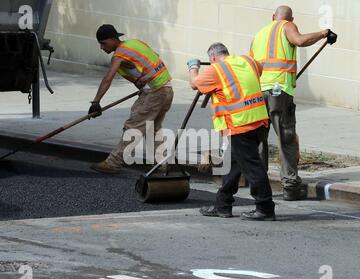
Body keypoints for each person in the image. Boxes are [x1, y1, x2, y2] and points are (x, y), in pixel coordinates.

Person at [250, 5, 337, 200]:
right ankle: (290, 186)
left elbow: (251, 64)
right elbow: (300, 40)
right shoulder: (287, 26)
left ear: (273, 16)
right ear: (290, 19)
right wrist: (324, 33)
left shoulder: (259, 35)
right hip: (279, 92)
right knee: (286, 138)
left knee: (260, 140)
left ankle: (259, 185)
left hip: (259, 92)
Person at [188, 43, 276, 221]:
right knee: (233, 164)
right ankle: (223, 205)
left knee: (252, 167)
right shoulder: (248, 61)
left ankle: (265, 208)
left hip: (241, 124)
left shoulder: (216, 70)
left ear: (212, 58)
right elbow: (258, 71)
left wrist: (193, 67)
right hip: (258, 120)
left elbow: (194, 83)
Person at [89, 24, 174, 173]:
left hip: (155, 92)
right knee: (153, 129)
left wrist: (96, 102)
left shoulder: (120, 54)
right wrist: (141, 81)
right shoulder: (135, 43)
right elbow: (153, 59)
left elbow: (108, 79)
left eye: (103, 43)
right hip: (167, 89)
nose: (102, 48)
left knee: (133, 127)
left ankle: (113, 163)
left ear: (113, 39)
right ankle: (160, 164)